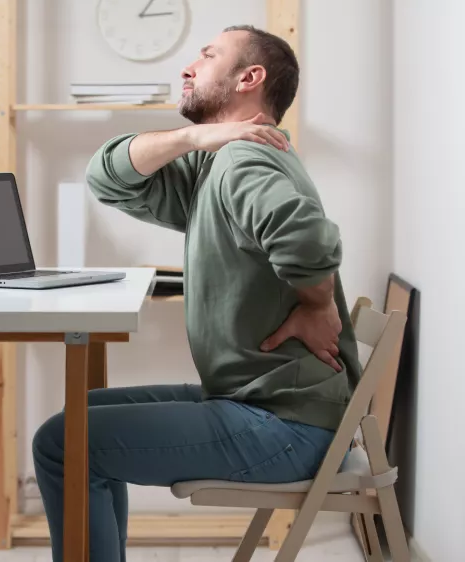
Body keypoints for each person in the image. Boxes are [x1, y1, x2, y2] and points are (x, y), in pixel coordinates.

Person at [32, 25, 361, 561]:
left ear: (249, 78)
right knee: (78, 417)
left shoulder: (244, 161)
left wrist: (317, 302)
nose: (188, 68)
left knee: (63, 443)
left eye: (207, 56)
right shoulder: (216, 160)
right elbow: (107, 178)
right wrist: (191, 138)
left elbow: (306, 235)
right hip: (268, 407)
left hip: (285, 428)